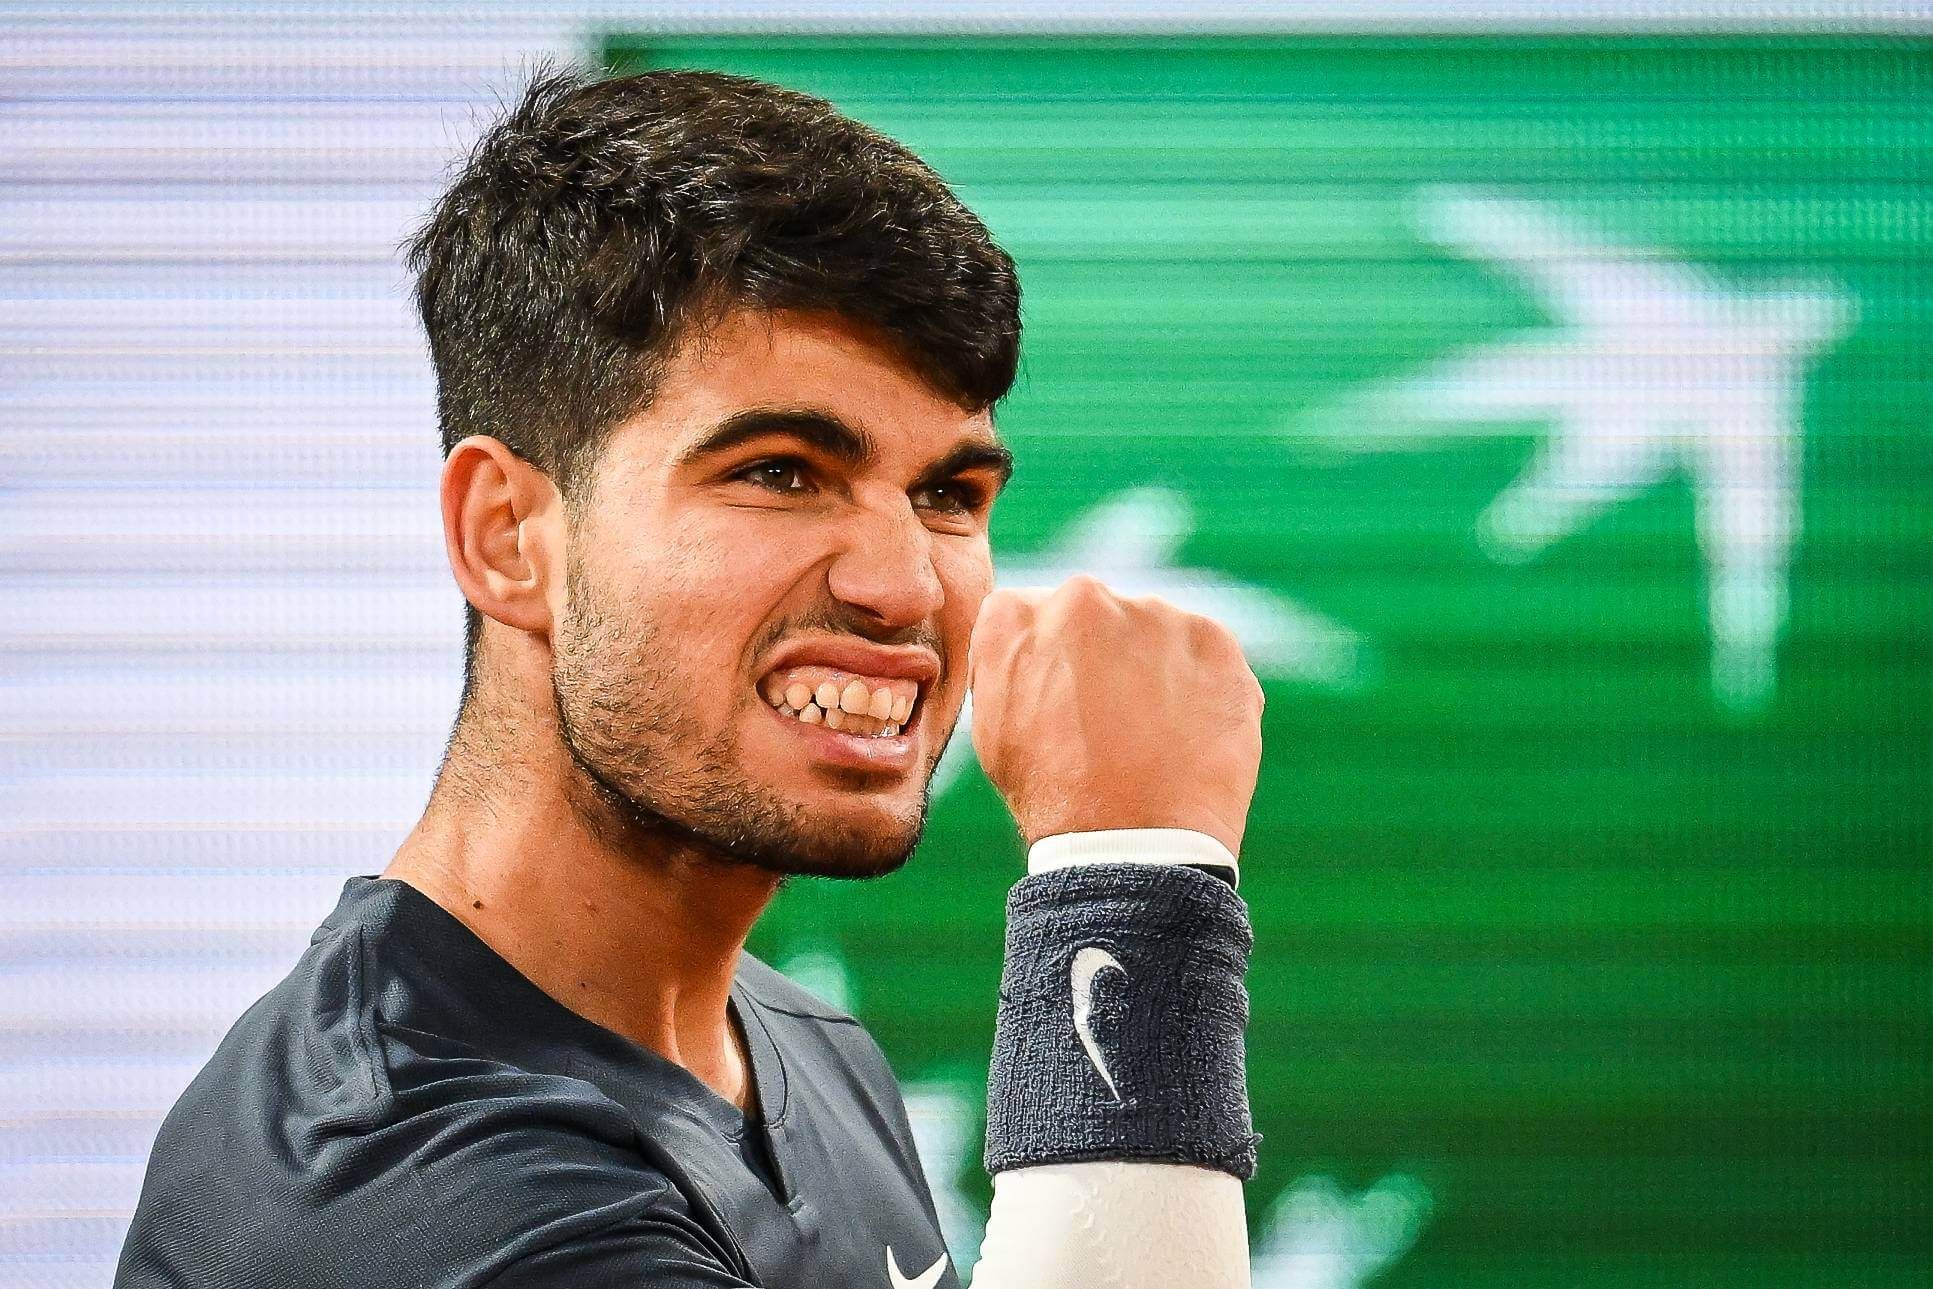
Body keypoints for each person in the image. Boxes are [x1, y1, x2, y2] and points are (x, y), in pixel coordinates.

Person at [114, 65, 1265, 1288]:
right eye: (779, 470)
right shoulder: (412, 1184)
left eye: (946, 494)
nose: (906, 587)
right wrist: (1127, 895)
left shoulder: (796, 1044)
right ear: (508, 535)